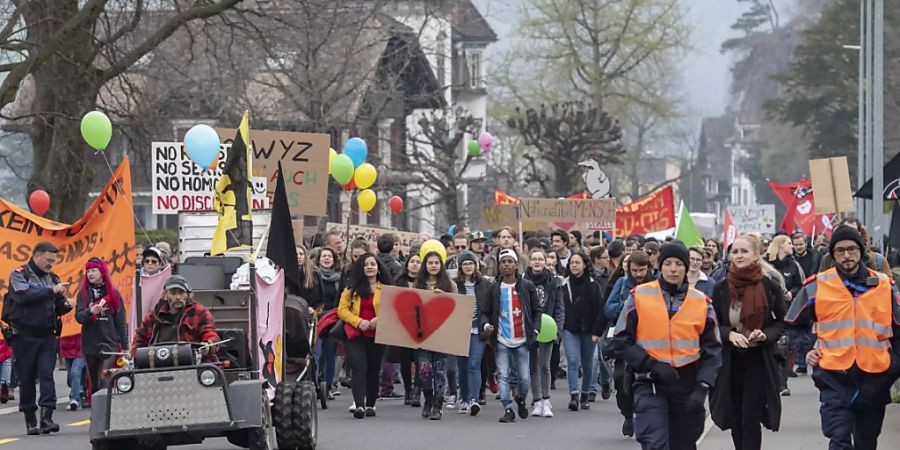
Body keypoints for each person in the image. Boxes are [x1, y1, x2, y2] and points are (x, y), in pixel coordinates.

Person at [786, 226, 900, 450]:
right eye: (840, 251)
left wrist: (895, 365)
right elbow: (792, 324)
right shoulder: (817, 285)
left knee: (867, 442)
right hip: (834, 376)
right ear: (832, 254)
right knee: (839, 439)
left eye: (851, 249)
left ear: (861, 251)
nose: (846, 256)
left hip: (875, 377)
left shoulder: (884, 286)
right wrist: (807, 349)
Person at [612, 242, 723, 450]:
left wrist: (703, 386)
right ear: (660, 267)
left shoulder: (701, 302)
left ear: (687, 267)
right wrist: (650, 364)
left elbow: (714, 350)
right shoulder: (639, 296)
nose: (673, 269)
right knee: (655, 443)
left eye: (679, 264)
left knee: (684, 444)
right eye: (668, 263)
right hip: (650, 382)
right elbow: (620, 341)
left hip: (687, 385)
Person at [709, 235, 785, 450]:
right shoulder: (721, 287)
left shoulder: (769, 286)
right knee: (734, 417)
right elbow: (713, 323)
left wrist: (765, 335)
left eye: (744, 251)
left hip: (758, 359)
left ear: (756, 255)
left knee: (750, 417)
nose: (739, 255)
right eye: (735, 252)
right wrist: (729, 334)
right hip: (730, 360)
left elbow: (780, 322)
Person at [5, 242, 73, 435]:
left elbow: (58, 306)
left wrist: (67, 304)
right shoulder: (20, 273)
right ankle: (30, 419)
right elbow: (24, 296)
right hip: (24, 336)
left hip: (47, 335)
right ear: (37, 256)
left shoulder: (53, 278)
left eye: (54, 261)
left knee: (46, 375)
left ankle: (47, 417)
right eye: (49, 260)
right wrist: (51, 291)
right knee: (26, 379)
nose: (51, 264)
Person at [483, 249, 540, 423]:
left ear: (516, 264)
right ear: (499, 266)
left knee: (524, 378)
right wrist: (486, 325)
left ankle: (521, 398)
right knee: (503, 375)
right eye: (503, 262)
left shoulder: (527, 286)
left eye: (510, 261)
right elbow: (485, 311)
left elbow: (537, 311)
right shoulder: (494, 288)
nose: (507, 265)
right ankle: (508, 408)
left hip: (522, 339)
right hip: (501, 340)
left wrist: (535, 330)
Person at [603, 250, 652, 436]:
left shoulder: (656, 285)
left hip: (648, 342)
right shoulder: (622, 284)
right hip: (625, 340)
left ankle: (644, 416)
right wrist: (628, 304)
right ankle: (627, 414)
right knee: (620, 378)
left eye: (641, 270)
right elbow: (608, 309)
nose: (638, 274)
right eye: (634, 270)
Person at [338, 252, 391, 419]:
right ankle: (359, 405)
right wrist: (358, 321)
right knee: (359, 368)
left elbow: (394, 308)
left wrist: (379, 319)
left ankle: (371, 404)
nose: (369, 267)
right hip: (355, 334)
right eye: (366, 264)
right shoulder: (351, 288)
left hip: (378, 334)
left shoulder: (387, 288)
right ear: (361, 268)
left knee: (374, 370)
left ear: (378, 268)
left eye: (372, 264)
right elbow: (342, 310)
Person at [74, 257, 128, 402]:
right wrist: (90, 311)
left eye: (93, 270)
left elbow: (121, 321)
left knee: (105, 379)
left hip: (109, 343)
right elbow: (79, 317)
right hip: (90, 344)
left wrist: (125, 346)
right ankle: (97, 415)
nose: (90, 274)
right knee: (94, 384)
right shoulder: (83, 294)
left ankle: (107, 413)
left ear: (102, 272)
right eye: (88, 271)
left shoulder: (113, 294)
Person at [559, 252, 607, 411]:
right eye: (572, 263)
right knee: (573, 360)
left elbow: (601, 310)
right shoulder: (563, 284)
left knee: (588, 363)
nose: (574, 265)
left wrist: (598, 332)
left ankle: (585, 395)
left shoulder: (593, 285)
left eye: (577, 262)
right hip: (569, 329)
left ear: (585, 265)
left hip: (589, 330)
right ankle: (574, 395)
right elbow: (559, 308)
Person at [413, 250, 458, 420]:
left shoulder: (450, 285)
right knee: (424, 371)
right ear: (425, 265)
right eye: (430, 263)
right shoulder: (418, 285)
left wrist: (445, 298)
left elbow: (457, 307)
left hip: (442, 335)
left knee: (439, 372)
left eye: (436, 263)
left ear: (441, 265)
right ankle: (428, 400)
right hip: (422, 335)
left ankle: (437, 406)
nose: (433, 266)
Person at [131, 275, 219, 358]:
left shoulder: (200, 312)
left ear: (188, 295)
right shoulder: (152, 318)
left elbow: (211, 334)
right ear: (164, 295)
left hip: (193, 363)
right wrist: (135, 354)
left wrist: (207, 345)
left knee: (209, 374)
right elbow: (139, 339)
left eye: (181, 293)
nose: (177, 297)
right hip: (157, 365)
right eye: (173, 293)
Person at [522, 248, 563, 418]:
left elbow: (560, 308)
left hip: (548, 328)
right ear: (530, 262)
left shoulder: (554, 282)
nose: (537, 262)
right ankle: (537, 401)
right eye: (534, 259)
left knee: (544, 365)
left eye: (540, 259)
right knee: (532, 366)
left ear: (546, 262)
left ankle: (546, 400)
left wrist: (557, 331)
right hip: (530, 327)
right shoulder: (523, 281)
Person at [454, 251, 493, 416]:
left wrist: (487, 324)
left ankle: (473, 400)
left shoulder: (485, 284)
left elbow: (488, 308)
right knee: (462, 367)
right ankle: (463, 398)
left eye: (471, 263)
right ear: (460, 267)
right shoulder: (455, 284)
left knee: (474, 364)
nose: (468, 266)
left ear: (476, 265)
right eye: (465, 264)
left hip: (478, 329)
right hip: (459, 329)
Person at [385, 253, 422, 407]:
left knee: (421, 360)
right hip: (404, 327)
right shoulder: (399, 281)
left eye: (418, 262)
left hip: (421, 327)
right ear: (407, 265)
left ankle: (417, 391)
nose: (415, 264)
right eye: (412, 261)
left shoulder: (425, 282)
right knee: (406, 360)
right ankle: (408, 390)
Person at [314, 247, 342, 400]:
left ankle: (329, 386)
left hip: (333, 318)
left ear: (334, 259)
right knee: (317, 353)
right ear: (319, 259)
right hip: (318, 317)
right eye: (324, 256)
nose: (326, 259)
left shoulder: (339, 277)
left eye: (329, 256)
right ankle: (316, 383)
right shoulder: (313, 276)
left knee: (331, 353)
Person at [589, 245, 613, 401]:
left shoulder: (610, 277)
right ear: (596, 259)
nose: (608, 260)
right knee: (593, 357)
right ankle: (591, 390)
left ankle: (605, 381)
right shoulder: (588, 276)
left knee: (604, 356)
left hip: (605, 322)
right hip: (590, 321)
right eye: (605, 257)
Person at [59, 335, 85, 410]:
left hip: (80, 347)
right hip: (66, 347)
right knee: (71, 376)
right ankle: (79, 391)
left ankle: (75, 399)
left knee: (75, 372)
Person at [295, 245, 322, 313]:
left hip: (310, 310)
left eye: (301, 254)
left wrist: (313, 309)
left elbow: (318, 297)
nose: (298, 256)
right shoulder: (286, 274)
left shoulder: (314, 273)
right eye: (296, 254)